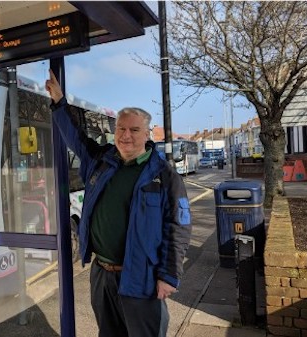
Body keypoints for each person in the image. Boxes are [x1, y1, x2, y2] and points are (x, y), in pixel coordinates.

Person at [45, 69, 191, 337]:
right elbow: (75, 138)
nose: (126, 135)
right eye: (121, 129)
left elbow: (178, 228)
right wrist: (59, 103)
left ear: (148, 134)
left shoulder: (165, 177)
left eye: (134, 130)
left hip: (142, 277)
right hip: (102, 273)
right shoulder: (101, 161)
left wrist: (168, 276)